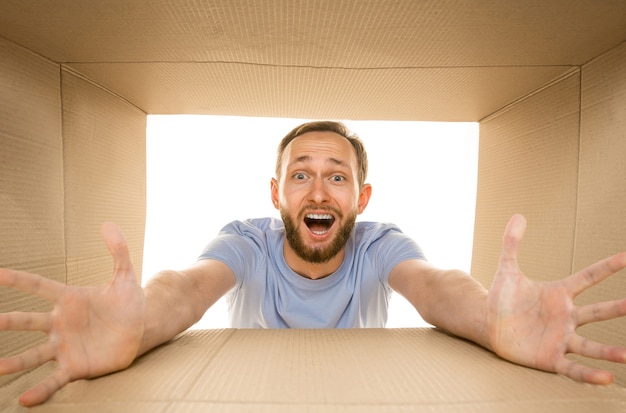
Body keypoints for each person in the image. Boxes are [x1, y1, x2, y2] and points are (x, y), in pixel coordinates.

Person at [1, 120, 625, 407]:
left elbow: (436, 288)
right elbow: (187, 288)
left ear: (362, 197)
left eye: (336, 177)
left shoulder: (381, 243)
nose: (318, 192)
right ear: (277, 195)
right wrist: (137, 326)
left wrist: (492, 322)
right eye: (300, 175)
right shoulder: (246, 239)